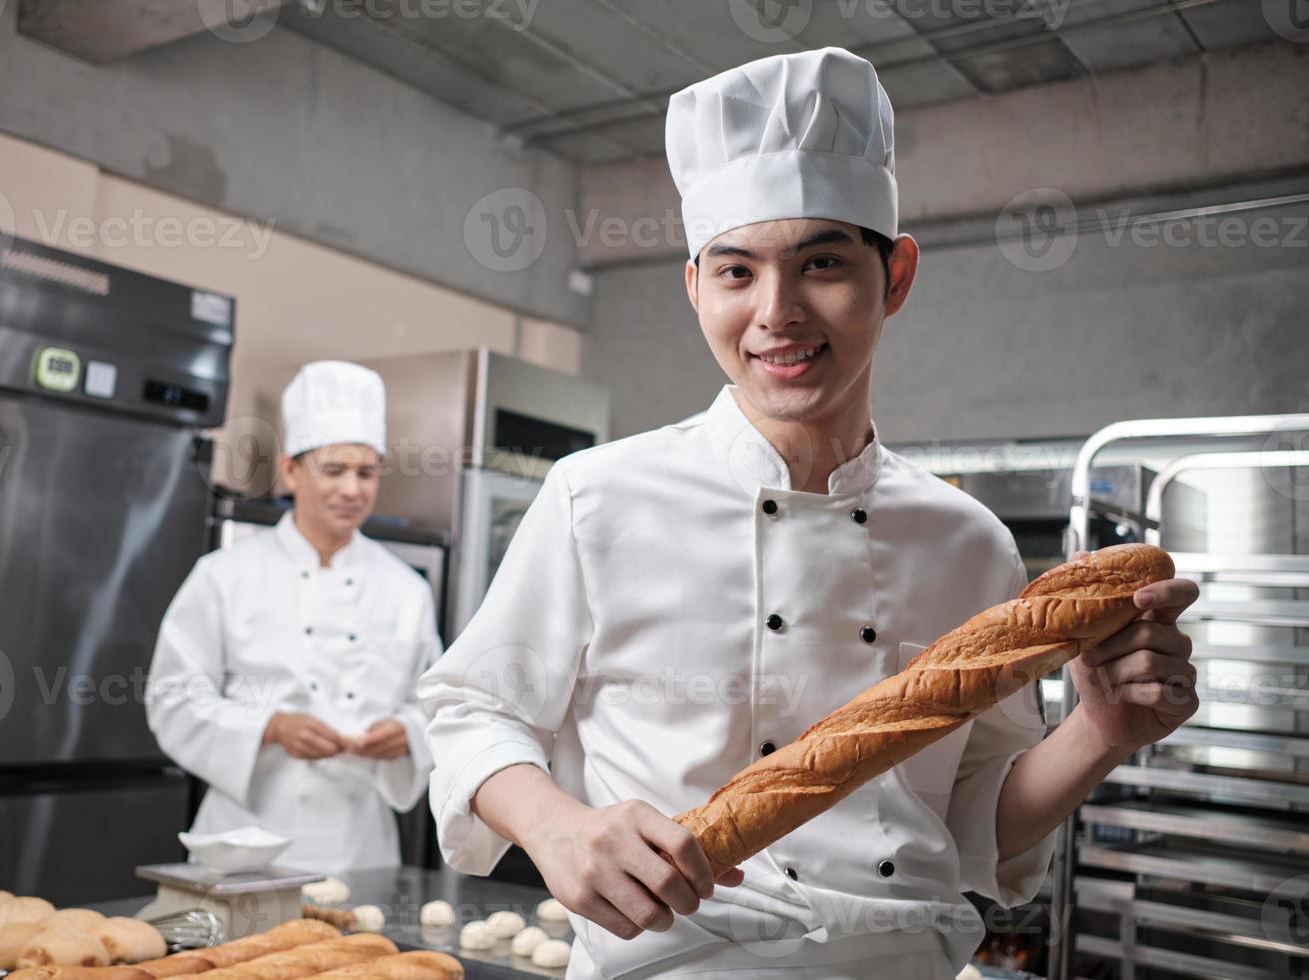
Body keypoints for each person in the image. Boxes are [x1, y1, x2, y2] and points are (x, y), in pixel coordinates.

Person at [416, 48, 1200, 978]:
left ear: (895, 276)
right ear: (695, 286)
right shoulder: (599, 497)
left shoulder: (968, 542)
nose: (776, 314)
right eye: (737, 272)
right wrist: (556, 826)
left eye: (821, 262)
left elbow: (977, 816)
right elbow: (472, 708)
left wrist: (1099, 731)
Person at [147, 360, 441, 873]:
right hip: (244, 842)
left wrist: (407, 733)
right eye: (334, 470)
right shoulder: (224, 575)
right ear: (290, 470)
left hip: (361, 850)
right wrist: (269, 726)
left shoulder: (406, 589)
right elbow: (173, 698)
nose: (352, 489)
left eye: (366, 472)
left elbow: (436, 707)